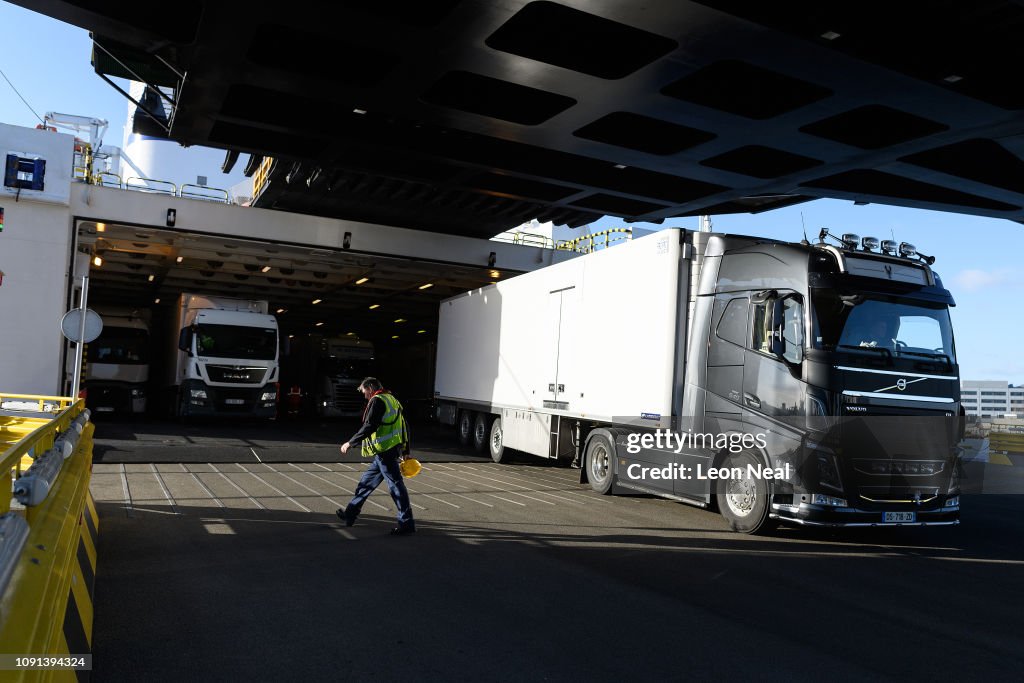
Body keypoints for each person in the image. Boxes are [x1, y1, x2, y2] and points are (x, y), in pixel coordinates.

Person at [336, 377, 415, 535]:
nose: (364, 395)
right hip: (387, 451)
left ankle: (406, 523)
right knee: (366, 483)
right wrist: (406, 451)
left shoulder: (377, 400)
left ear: (370, 388)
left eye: (364, 391)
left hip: (385, 451)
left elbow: (370, 425)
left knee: (396, 487)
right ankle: (350, 514)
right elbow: (404, 426)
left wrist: (350, 442)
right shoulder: (392, 399)